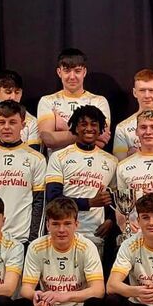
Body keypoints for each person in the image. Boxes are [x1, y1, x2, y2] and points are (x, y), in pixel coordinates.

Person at [0, 100, 47, 243]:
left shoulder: (37, 159)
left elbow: (40, 203)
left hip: (22, 239)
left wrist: (33, 240)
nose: (6, 127)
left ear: (23, 125)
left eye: (12, 122)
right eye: (1, 122)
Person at [44, 105, 118, 254]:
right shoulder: (59, 157)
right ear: (75, 128)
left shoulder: (111, 161)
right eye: (83, 124)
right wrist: (89, 203)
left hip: (95, 237)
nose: (89, 128)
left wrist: (111, 220)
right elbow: (53, 199)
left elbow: (114, 199)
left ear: (101, 128)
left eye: (94, 124)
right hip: (62, 234)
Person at [37, 48, 112, 152]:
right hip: (58, 166)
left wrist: (63, 128)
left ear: (84, 72)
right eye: (67, 71)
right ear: (59, 72)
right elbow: (48, 139)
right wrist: (87, 134)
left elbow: (102, 140)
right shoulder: (47, 101)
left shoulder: (99, 101)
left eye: (77, 71)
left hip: (92, 165)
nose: (72, 77)